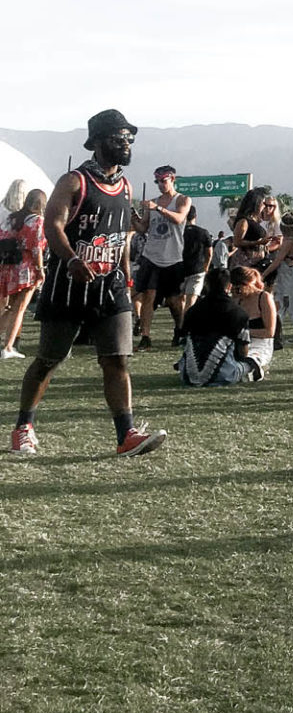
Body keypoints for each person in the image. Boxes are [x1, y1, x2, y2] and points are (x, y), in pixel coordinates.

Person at [10, 109, 165, 458]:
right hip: (69, 285)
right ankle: (23, 427)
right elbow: (53, 225)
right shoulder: (74, 182)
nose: (125, 145)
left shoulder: (124, 185)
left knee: (117, 360)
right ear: (96, 142)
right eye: (117, 138)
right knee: (48, 360)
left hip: (110, 286)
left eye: (129, 138)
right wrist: (73, 260)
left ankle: (126, 434)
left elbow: (121, 237)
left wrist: (125, 273)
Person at [131, 166, 191, 350]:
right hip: (151, 256)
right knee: (148, 295)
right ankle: (146, 336)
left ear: (172, 179)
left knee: (174, 300)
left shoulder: (182, 199)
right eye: (157, 181)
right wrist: (134, 218)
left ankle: (180, 329)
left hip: (173, 257)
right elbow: (143, 228)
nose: (160, 185)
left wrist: (158, 208)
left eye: (163, 181)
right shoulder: (153, 202)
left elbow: (179, 218)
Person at [178, 259, 264, 385]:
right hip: (224, 375)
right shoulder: (238, 313)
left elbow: (184, 341)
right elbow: (243, 350)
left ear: (206, 285)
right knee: (249, 362)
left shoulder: (192, 311)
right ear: (229, 286)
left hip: (188, 377)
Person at [0, 184, 46, 358]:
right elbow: (36, 248)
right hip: (27, 268)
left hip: (10, 266)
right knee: (20, 309)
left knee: (10, 307)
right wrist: (41, 270)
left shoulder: (13, 218)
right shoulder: (37, 221)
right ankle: (8, 347)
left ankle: (7, 344)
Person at [271, 213, 293, 347]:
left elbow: (277, 261)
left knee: (289, 305)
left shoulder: (289, 242)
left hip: (288, 276)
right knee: (284, 304)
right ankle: (278, 331)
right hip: (289, 275)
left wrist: (263, 274)